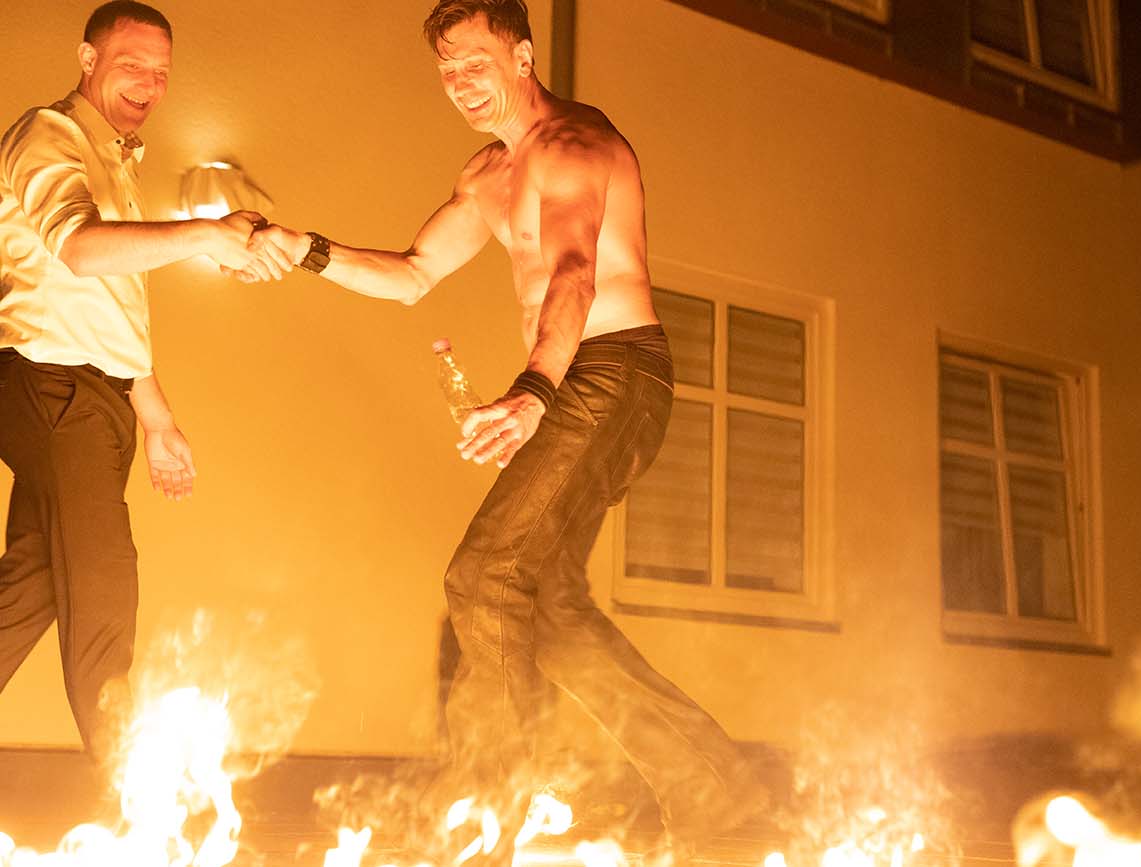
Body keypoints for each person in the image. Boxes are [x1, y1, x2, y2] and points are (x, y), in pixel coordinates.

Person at [242, 0, 767, 860]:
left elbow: (573, 273)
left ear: (522, 56)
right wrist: (307, 250)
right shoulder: (488, 173)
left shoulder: (574, 146)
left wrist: (534, 388)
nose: (461, 84)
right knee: (548, 607)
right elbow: (413, 273)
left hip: (616, 372)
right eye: (448, 70)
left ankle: (494, 809)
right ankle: (720, 795)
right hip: (574, 382)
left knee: (484, 575)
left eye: (476, 63)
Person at [0, 0, 274, 762]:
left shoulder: (114, 158)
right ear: (88, 59)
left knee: (31, 585)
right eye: (132, 66)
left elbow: (107, 305)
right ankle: (129, 791)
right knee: (104, 585)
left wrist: (154, 417)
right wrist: (205, 233)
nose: (150, 85)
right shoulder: (49, 135)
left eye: (161, 72)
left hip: (90, 395)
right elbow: (81, 251)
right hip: (52, 389)